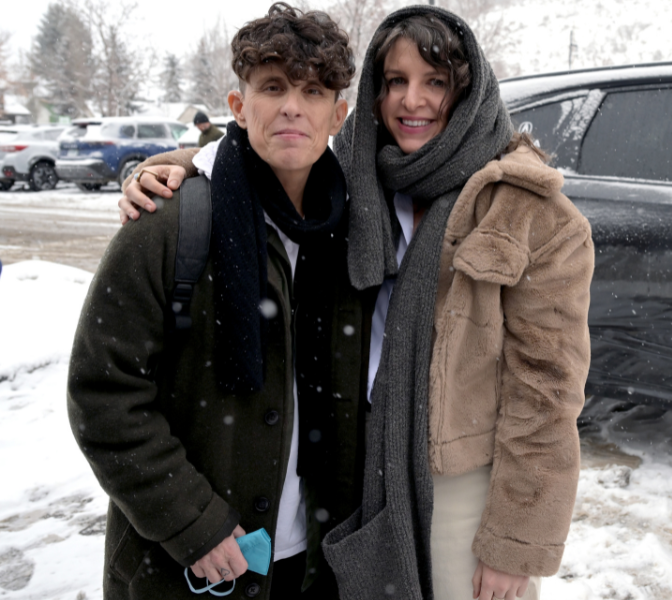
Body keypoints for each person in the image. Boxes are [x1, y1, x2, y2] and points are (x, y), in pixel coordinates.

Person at [120, 7, 594, 600]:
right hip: (358, 471)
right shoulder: (358, 180)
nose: (411, 100)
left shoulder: (533, 213)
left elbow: (546, 396)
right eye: (395, 81)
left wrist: (514, 545)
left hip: (462, 488)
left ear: (469, 91)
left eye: (436, 81)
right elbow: (267, 152)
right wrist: (171, 167)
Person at [69, 4, 362, 598]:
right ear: (238, 106)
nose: (291, 107)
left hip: (310, 561)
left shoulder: (356, 232)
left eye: (312, 91)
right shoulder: (168, 222)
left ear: (339, 115)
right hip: (187, 570)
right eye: (273, 87)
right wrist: (193, 523)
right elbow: (104, 394)